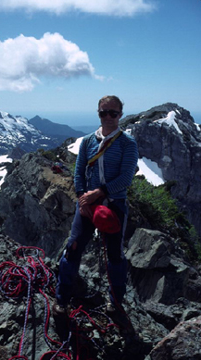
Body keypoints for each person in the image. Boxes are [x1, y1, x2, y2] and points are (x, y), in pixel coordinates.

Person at [55, 95, 138, 314]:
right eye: (104, 112)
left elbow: (126, 178)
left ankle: (116, 302)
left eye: (113, 113)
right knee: (73, 248)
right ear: (98, 113)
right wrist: (83, 198)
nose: (108, 117)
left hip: (114, 204)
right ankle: (61, 300)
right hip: (88, 205)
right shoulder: (88, 141)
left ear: (120, 115)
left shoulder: (127, 143)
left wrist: (99, 193)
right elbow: (79, 172)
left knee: (115, 254)